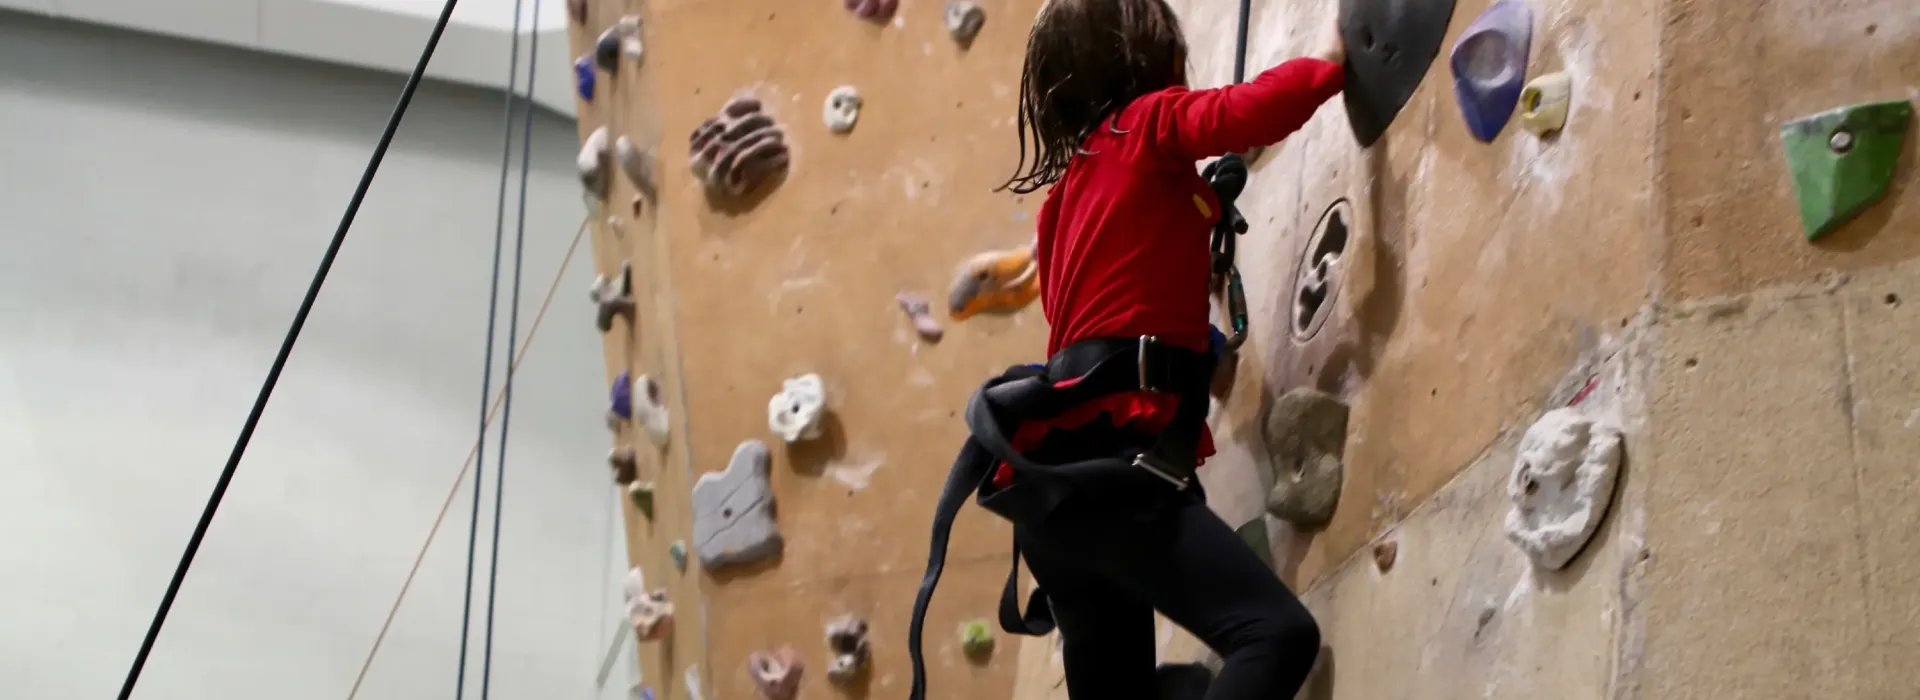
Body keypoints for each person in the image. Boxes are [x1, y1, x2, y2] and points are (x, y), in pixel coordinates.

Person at [990, 0, 1348, 698]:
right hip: (1112, 479)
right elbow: (1243, 114)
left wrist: (1202, 338)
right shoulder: (1148, 123)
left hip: (1052, 495)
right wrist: (1331, 62)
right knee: (1274, 634)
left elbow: (1103, 323)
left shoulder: (1062, 205)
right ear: (1153, 59)